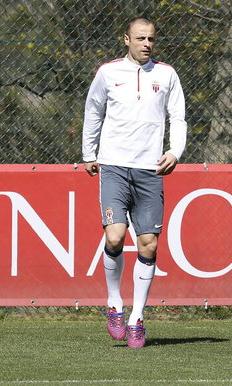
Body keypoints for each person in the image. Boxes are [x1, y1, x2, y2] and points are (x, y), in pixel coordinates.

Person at [81, 16, 187, 348]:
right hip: (113, 166)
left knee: (149, 245)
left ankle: (137, 317)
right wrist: (89, 153)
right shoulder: (108, 73)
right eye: (140, 38)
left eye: (151, 39)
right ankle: (114, 302)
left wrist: (175, 151)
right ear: (125, 39)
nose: (146, 44)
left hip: (149, 171)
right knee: (114, 238)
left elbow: (178, 117)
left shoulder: (167, 74)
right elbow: (93, 111)